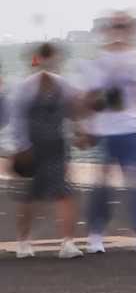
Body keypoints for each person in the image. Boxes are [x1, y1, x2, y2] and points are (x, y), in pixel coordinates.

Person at [81, 13, 136, 255]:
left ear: (132, 29)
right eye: (115, 26)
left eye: (124, 26)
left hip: (131, 128)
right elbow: (89, 97)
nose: (119, 30)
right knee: (102, 185)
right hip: (105, 130)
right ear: (108, 29)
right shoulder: (99, 61)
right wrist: (86, 126)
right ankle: (95, 234)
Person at [8, 42, 84, 259]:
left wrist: (80, 131)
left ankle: (68, 243)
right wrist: (23, 147)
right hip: (32, 147)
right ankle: (23, 242)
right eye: (45, 56)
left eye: (52, 56)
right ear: (36, 59)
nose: (49, 61)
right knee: (30, 196)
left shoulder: (63, 85)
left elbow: (73, 109)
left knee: (65, 193)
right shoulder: (24, 88)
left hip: (58, 145)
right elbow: (17, 119)